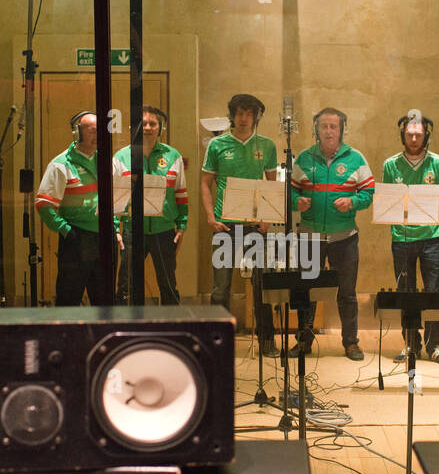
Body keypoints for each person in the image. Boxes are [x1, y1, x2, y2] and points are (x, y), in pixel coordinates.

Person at [290, 107, 375, 361]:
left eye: (333, 126)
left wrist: (353, 202)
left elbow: (368, 193)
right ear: (316, 128)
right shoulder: (303, 158)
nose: (328, 131)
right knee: (306, 291)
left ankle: (350, 343)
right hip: (310, 237)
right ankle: (304, 341)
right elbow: (290, 192)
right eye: (324, 126)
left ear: (341, 130)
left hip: (344, 238)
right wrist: (297, 201)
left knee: (347, 293)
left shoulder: (356, 159)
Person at [201, 94, 279, 355]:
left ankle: (267, 340)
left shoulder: (266, 145)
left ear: (256, 117)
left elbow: (271, 184)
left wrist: (268, 217)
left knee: (261, 286)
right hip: (225, 226)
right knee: (220, 287)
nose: (245, 118)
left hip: (255, 227)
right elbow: (205, 182)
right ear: (232, 115)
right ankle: (218, 342)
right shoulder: (217, 144)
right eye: (240, 113)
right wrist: (211, 217)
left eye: (250, 113)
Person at [383, 110, 439, 365]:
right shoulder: (391, 165)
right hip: (401, 238)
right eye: (410, 134)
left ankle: (435, 344)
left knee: (434, 291)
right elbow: (387, 202)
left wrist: (433, 221)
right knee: (406, 291)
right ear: (403, 135)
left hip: (431, 238)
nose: (414, 139)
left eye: (419, 135)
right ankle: (410, 342)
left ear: (426, 136)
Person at [35, 111, 122, 306]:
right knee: (69, 299)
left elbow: (116, 199)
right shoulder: (61, 164)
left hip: (105, 238)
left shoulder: (109, 162)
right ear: (77, 133)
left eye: (101, 131)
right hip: (77, 238)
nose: (98, 136)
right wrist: (67, 232)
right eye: (92, 131)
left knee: (105, 302)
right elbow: (43, 204)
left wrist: (115, 228)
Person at [116, 105, 186, 305]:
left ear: (160, 128)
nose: (147, 127)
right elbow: (113, 197)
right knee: (125, 285)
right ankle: (123, 331)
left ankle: (172, 331)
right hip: (131, 230)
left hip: (164, 231)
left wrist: (182, 226)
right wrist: (115, 228)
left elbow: (181, 193)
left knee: (168, 284)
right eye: (142, 123)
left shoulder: (173, 156)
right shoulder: (121, 157)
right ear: (134, 127)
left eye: (152, 123)